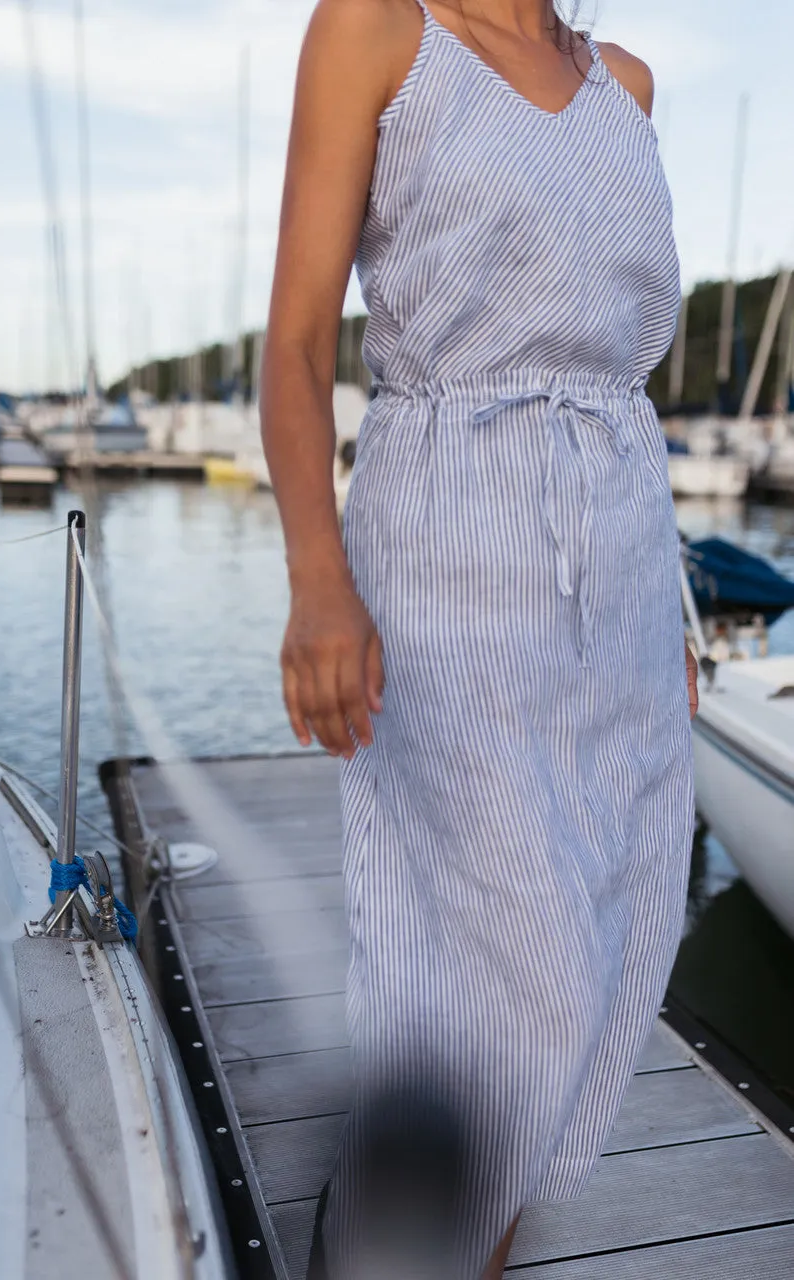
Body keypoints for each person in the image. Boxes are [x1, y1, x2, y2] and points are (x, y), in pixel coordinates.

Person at [259, 1, 700, 1275]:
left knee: (595, 958)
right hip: (446, 548)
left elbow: (623, 385)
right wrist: (314, 579)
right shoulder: (379, 32)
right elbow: (293, 343)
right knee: (515, 973)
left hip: (615, 574)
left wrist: (665, 605)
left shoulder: (625, 85)